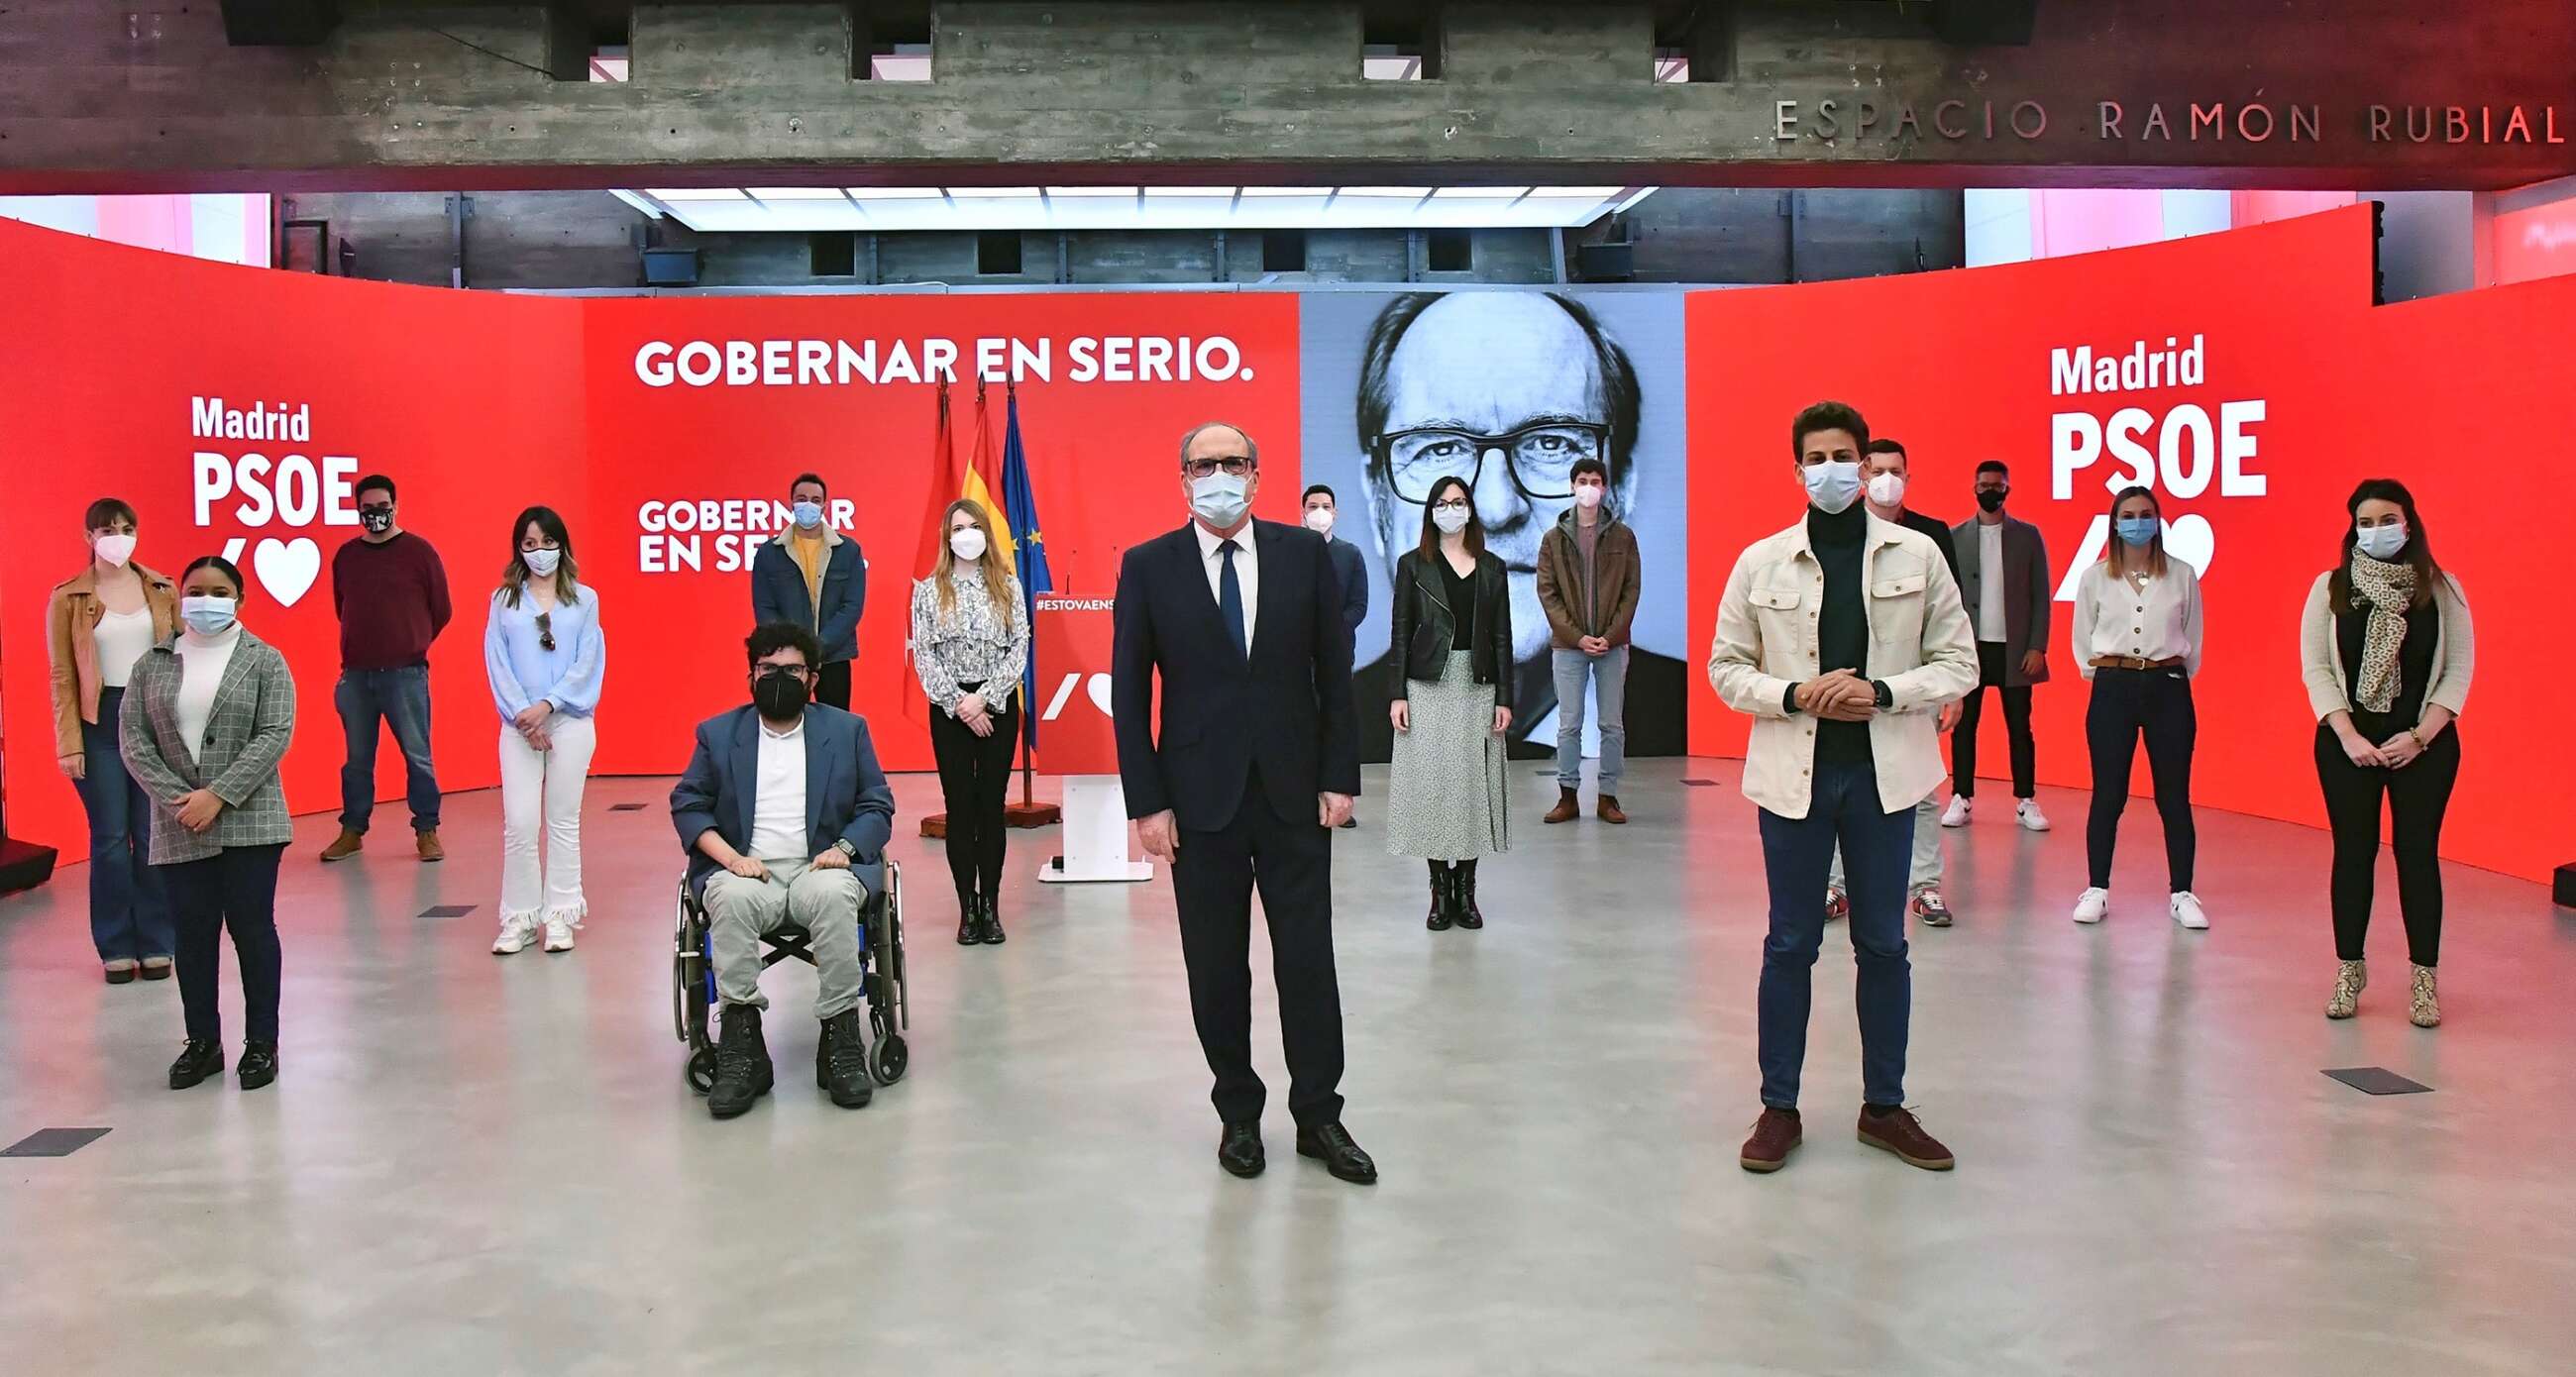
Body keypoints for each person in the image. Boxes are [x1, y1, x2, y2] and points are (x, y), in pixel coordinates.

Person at [1708, 401, 1975, 1175]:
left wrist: (1883, 694)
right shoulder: (1760, 563)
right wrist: (1795, 695)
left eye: (1844, 456)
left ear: (1865, 467)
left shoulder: (1918, 555)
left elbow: (1960, 663)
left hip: (1886, 778)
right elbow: (1727, 666)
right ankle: (1778, 1108)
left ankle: (1884, 1108)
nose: (1831, 469)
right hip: (1795, 779)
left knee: (1884, 944)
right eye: (1815, 457)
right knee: (1789, 943)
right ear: (1797, 469)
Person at [1112, 421, 1374, 1185]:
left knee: (1307, 962)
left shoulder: (1305, 557)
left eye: (1233, 463)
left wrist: (1341, 776)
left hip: (1295, 794)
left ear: (1257, 477)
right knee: (1217, 967)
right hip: (1198, 803)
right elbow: (1131, 696)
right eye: (1204, 464)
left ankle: (1320, 1115)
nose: (1219, 475)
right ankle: (1238, 1113)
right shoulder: (1149, 567)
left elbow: (1336, 672)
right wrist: (1147, 802)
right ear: (1183, 478)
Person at [1350, 292, 1685, 763]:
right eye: (1440, 449)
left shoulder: (1687, 717)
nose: (1492, 506)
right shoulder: (1322, 725)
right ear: (1375, 493)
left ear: (1621, 483)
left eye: (1551, 443)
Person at [670, 623, 896, 1120]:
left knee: (837, 896)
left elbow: (877, 806)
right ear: (750, 675)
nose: (779, 678)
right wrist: (730, 859)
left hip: (822, 864)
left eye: (792, 669)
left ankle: (840, 1037)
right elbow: (688, 804)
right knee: (728, 898)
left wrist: (844, 847)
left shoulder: (846, 729)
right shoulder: (717, 734)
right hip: (747, 869)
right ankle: (742, 1045)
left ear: (812, 677)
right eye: (768, 669)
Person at [119, 557, 296, 1092]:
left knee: (252, 930)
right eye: (196, 590)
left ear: (239, 600)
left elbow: (275, 733)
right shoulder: (151, 664)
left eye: (220, 591)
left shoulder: (266, 660)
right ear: (179, 598)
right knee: (193, 937)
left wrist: (218, 795)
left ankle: (261, 1043)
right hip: (180, 824)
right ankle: (203, 1044)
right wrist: (181, 800)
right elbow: (133, 740)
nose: (206, 600)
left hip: (250, 821)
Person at [2301, 479, 2472, 1027]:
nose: (2377, 531)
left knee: (2417, 856)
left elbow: (2457, 672)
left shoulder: (2443, 590)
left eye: (2387, 519)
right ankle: (2350, 969)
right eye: (2365, 522)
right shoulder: (2329, 589)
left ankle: (2424, 978)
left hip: (2424, 747)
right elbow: (2318, 671)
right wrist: (2348, 735)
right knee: (2353, 855)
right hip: (2347, 746)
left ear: (2410, 522)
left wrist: (2421, 735)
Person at [1826, 439, 1960, 925]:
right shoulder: (1841, 531)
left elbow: (1948, 621)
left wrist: (1951, 689)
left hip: (1914, 685)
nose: (1887, 478)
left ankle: (1924, 887)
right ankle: (1836, 886)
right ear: (1863, 475)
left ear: (1908, 475)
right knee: (1840, 785)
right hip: (1850, 684)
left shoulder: (1931, 537)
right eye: (1877, 469)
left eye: (1895, 469)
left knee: (1922, 788)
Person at [47, 497, 178, 984]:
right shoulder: (67, 598)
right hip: (98, 722)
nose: (117, 536)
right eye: (106, 529)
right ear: (89, 537)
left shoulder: (162, 588)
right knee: (108, 839)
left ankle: (158, 940)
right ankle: (116, 946)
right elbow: (62, 675)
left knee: (151, 837)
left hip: (154, 720)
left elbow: (182, 659)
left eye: (125, 527)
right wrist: (69, 743)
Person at [2070, 485, 2206, 929]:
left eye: (2146, 514)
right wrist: (2111, 675)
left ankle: (2183, 891)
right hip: (2113, 686)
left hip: (2167, 685)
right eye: (2128, 514)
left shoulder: (2182, 574)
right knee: (2108, 793)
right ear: (2114, 522)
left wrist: (2166, 670)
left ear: (2158, 521)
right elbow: (2081, 638)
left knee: (2174, 795)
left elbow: (2194, 638)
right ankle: (2096, 887)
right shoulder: (2094, 577)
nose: (2137, 522)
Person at [1385, 475, 1514, 929]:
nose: (1451, 509)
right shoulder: (1413, 565)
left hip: (1476, 684)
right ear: (1430, 511)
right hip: (1427, 685)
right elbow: (1400, 630)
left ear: (1471, 509)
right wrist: (1397, 692)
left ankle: (1468, 891)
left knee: (1472, 788)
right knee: (1435, 788)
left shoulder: (1492, 566)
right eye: (1442, 502)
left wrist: (1504, 695)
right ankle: (1440, 891)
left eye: (1459, 502)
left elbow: (1502, 638)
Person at [484, 506, 606, 957]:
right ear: (519, 548)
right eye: (531, 544)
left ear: (563, 545)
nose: (540, 552)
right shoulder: (504, 601)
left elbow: (589, 659)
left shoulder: (585, 599)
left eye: (548, 543)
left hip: (570, 722)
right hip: (518, 728)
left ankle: (560, 915)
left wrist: (549, 705)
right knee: (519, 823)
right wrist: (524, 714)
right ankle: (518, 918)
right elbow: (497, 660)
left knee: (562, 821)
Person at [911, 498, 1028, 946]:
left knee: (990, 807)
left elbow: (1019, 647)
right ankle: (967, 907)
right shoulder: (927, 590)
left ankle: (993, 907)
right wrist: (960, 703)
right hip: (949, 709)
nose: (966, 533)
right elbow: (923, 653)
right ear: (946, 536)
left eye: (974, 525)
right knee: (960, 809)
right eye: (958, 526)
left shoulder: (1007, 586)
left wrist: (986, 699)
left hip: (996, 705)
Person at [322, 474, 452, 864]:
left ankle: (427, 829)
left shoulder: (419, 552)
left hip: (406, 673)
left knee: (418, 755)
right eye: (367, 510)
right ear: (357, 510)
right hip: (357, 674)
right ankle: (352, 830)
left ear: (395, 505)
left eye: (382, 508)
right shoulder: (346, 555)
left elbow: (442, 609)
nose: (375, 515)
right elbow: (341, 607)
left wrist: (411, 642)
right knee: (357, 759)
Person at [1946, 459, 2053, 833]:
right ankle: (1961, 796)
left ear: (2008, 489)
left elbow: (2042, 595)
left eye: (1998, 485)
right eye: (1984, 485)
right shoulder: (1955, 536)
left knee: (2020, 727)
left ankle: (2026, 800)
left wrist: (2037, 644)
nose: (1991, 491)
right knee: (1964, 725)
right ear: (1974, 488)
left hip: (2015, 650)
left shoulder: (2027, 535)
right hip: (1971, 649)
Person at [1535, 456, 1640, 825]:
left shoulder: (1623, 536)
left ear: (1605, 487)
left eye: (1595, 481)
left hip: (1613, 647)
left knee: (1612, 724)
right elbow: (1548, 594)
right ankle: (1567, 797)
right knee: (1570, 724)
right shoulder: (1553, 539)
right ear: (1572, 486)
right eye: (1582, 480)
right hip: (1569, 648)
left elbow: (1631, 590)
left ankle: (1608, 797)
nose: (1588, 488)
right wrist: (1578, 638)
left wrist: (1609, 637)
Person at [751, 472, 866, 710]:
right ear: (791, 503)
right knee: (785, 721)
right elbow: (765, 607)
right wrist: (791, 648)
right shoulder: (769, 553)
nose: (808, 505)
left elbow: (852, 606)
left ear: (824, 506)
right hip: (785, 660)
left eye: (815, 500)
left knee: (835, 729)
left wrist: (818, 646)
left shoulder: (848, 550)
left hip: (834, 657)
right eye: (801, 499)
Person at [1305, 482, 1368, 829]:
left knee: (1338, 724)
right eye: (1313, 505)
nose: (1319, 512)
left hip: (1340, 654)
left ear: (1336, 511)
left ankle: (1341, 797)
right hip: (1298, 656)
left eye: (1325, 505)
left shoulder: (1350, 554)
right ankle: (1306, 794)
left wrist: (1334, 634)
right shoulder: (1293, 553)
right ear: (1303, 511)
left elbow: (1358, 604)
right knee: (1303, 724)